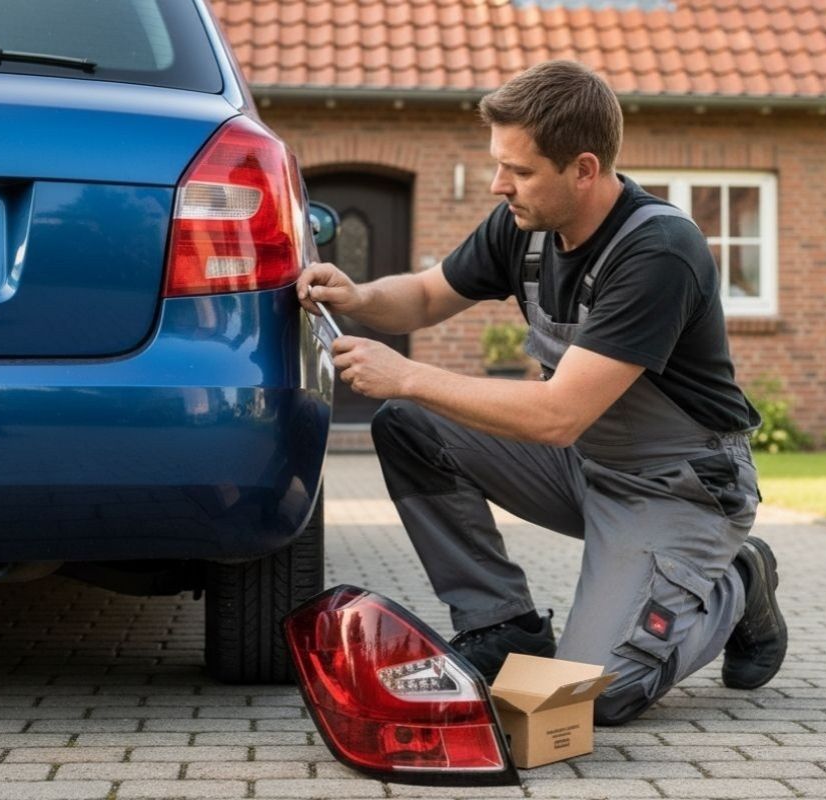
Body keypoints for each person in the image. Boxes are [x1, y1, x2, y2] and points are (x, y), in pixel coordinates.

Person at [297, 60, 787, 725]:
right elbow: (422, 295)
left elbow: (558, 415)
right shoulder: (523, 228)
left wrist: (406, 372)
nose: (501, 185)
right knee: (410, 422)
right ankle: (505, 625)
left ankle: (735, 583)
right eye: (500, 165)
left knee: (587, 700)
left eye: (519, 171)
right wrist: (355, 295)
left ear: (584, 169)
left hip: (678, 488)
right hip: (585, 463)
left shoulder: (658, 252)